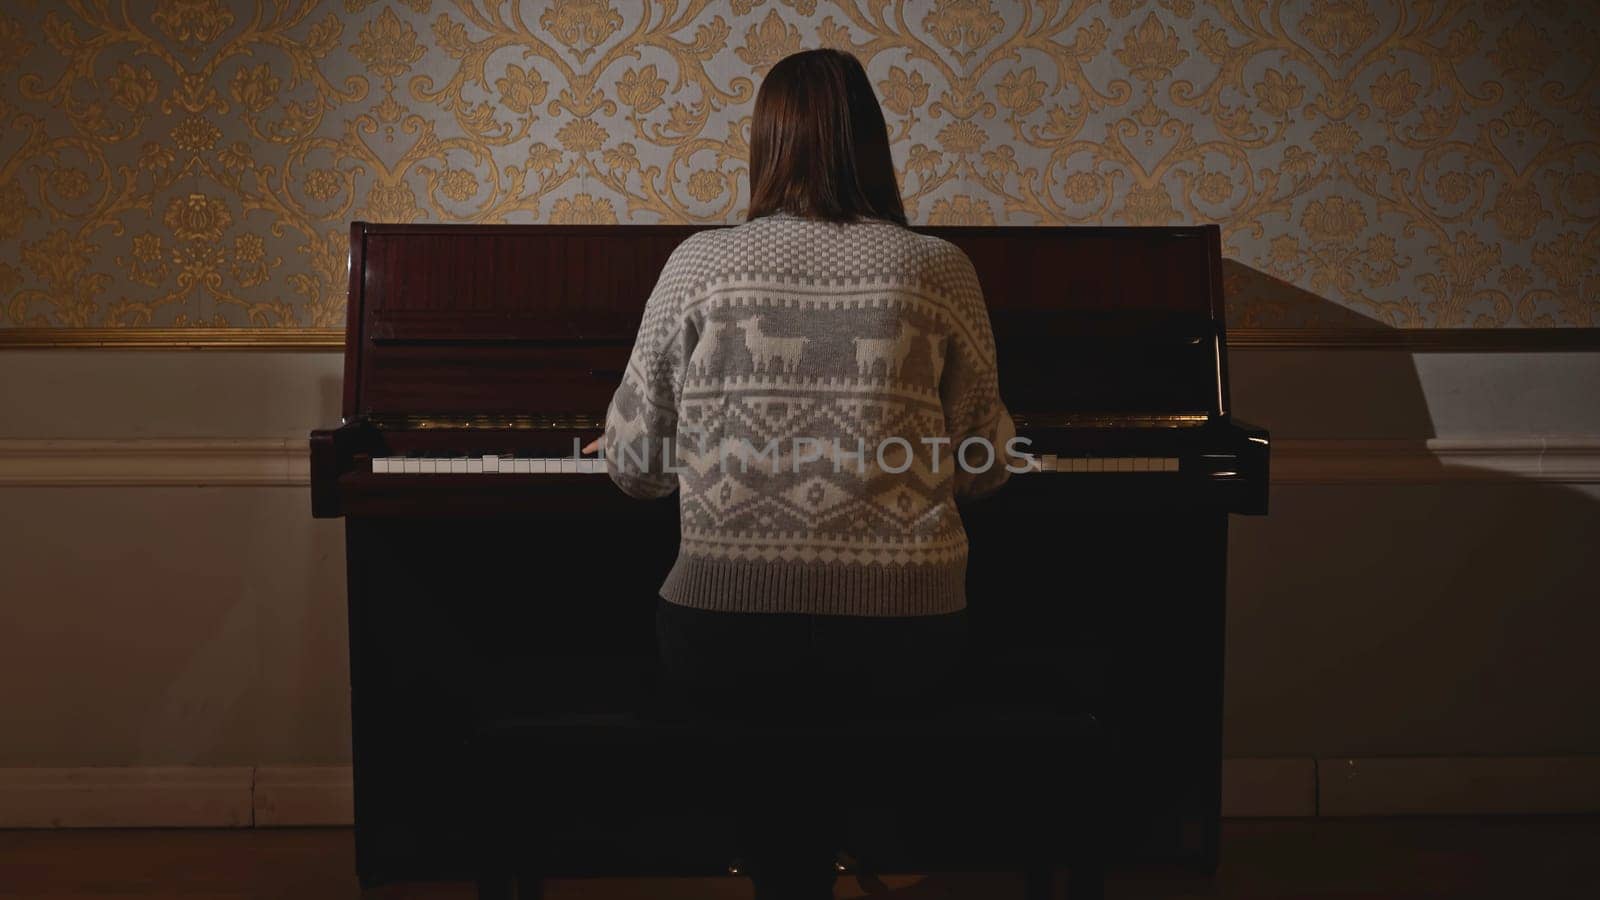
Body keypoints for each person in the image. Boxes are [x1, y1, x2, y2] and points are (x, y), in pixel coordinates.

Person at [587, 47, 1016, 900]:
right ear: (873, 143)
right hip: (903, 635)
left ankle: (785, 868)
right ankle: (871, 845)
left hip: (727, 633)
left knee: (761, 718)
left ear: (765, 145)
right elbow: (985, 466)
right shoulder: (940, 268)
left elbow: (635, 470)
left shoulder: (697, 267)